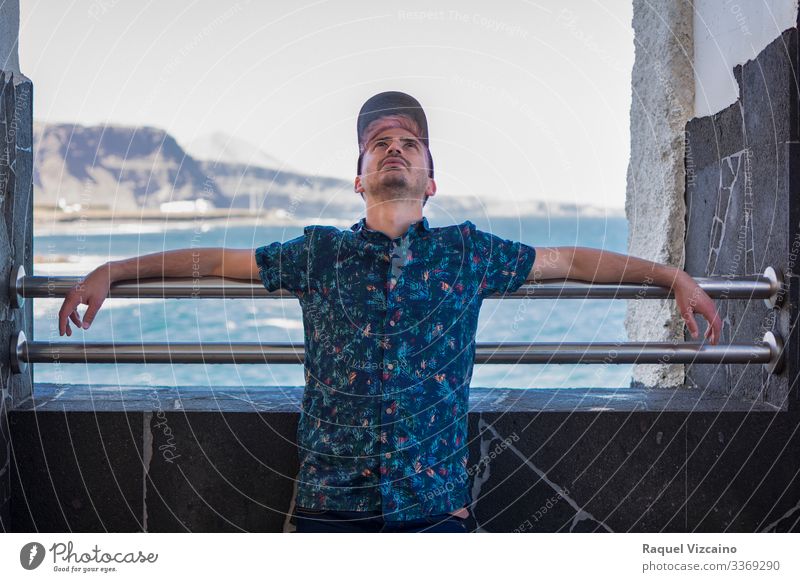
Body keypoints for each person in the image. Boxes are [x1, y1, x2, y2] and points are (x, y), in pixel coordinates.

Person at [56, 91, 722, 534]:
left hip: (434, 512)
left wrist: (670, 278)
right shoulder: (318, 253)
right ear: (359, 177)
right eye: (378, 143)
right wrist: (115, 271)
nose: (394, 147)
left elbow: (573, 262)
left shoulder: (468, 254)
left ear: (431, 179)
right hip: (329, 509)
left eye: (409, 141)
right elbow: (214, 262)